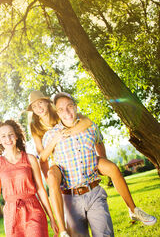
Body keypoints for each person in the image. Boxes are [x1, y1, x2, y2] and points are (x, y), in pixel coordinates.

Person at [28, 91, 156, 229]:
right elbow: (42, 157)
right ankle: (63, 229)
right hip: (60, 161)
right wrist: (52, 181)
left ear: (48, 103)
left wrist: (102, 159)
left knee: (112, 168)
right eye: (34, 106)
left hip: (83, 153)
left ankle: (133, 209)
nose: (38, 107)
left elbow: (88, 124)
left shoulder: (62, 111)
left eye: (40, 102)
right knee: (53, 177)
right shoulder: (36, 126)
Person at [43, 92, 114, 236]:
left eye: (69, 106)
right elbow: (44, 159)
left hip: (94, 192)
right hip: (70, 199)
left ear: (75, 107)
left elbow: (99, 142)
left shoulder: (90, 126)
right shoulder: (50, 136)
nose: (67, 112)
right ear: (57, 112)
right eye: (61, 109)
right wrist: (52, 181)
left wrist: (102, 161)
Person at [0, 120, 58, 237]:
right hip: (11, 214)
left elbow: (40, 189)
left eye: (10, 134)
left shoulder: (30, 159)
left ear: (16, 136)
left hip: (33, 210)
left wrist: (52, 218)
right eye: (3, 136)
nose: (8, 139)